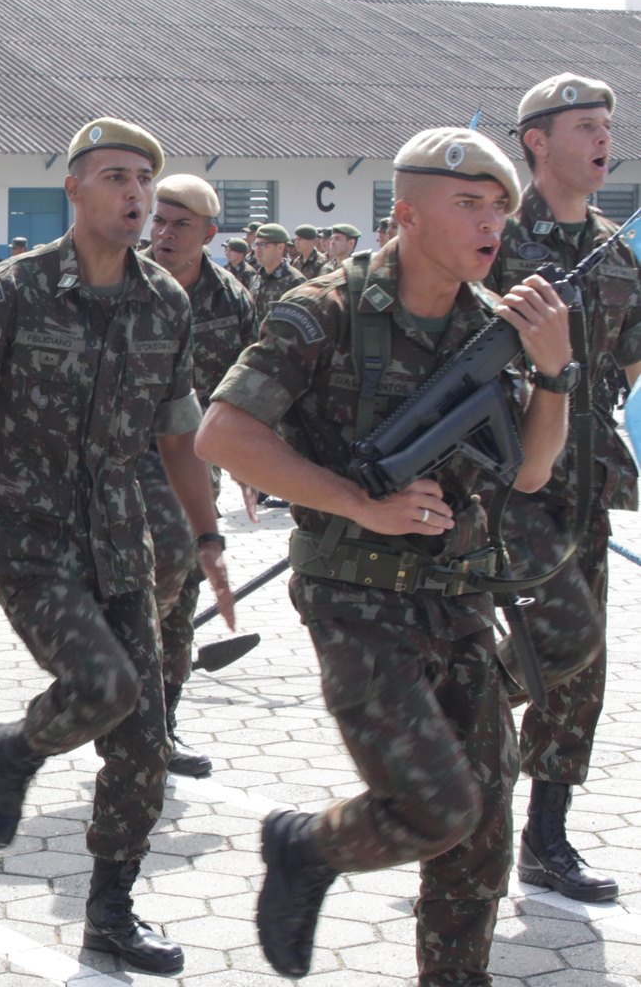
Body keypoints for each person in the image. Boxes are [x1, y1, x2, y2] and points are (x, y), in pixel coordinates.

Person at [198, 127, 574, 983]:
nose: (491, 223)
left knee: (482, 832)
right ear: (406, 215)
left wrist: (554, 373)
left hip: (460, 595)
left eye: (500, 207)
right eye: (468, 204)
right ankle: (307, 846)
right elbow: (224, 434)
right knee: (435, 806)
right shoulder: (325, 311)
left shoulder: (492, 325)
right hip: (354, 597)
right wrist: (359, 501)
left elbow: (531, 471)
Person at [0, 118, 233, 974]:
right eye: (116, 177)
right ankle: (18, 747)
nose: (136, 195)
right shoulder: (8, 294)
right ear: (75, 189)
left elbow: (179, 437)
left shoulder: (164, 303)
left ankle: (110, 914)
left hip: (123, 540)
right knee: (104, 686)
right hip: (31, 538)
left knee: (144, 738)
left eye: (145, 181)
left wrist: (207, 538)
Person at [491, 73, 640, 903]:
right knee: (562, 640)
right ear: (537, 141)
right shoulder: (496, 239)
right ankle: (456, 709)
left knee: (584, 666)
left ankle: (545, 836)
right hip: (507, 483)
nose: (603, 138)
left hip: (587, 482)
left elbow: (634, 355)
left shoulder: (615, 249)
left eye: (606, 125)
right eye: (584, 125)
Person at [141, 175, 259, 777]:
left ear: (210, 234)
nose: (164, 233)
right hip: (122, 461)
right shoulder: (124, 281)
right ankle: (126, 714)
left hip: (193, 464)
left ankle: (161, 724)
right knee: (137, 587)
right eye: (159, 220)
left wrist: (250, 462)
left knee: (184, 587)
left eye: (180, 224)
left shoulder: (231, 299)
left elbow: (248, 387)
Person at [248, 223, 307, 323]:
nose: (257, 250)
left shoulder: (295, 281)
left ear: (280, 247)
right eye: (256, 244)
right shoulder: (256, 278)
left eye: (263, 245)